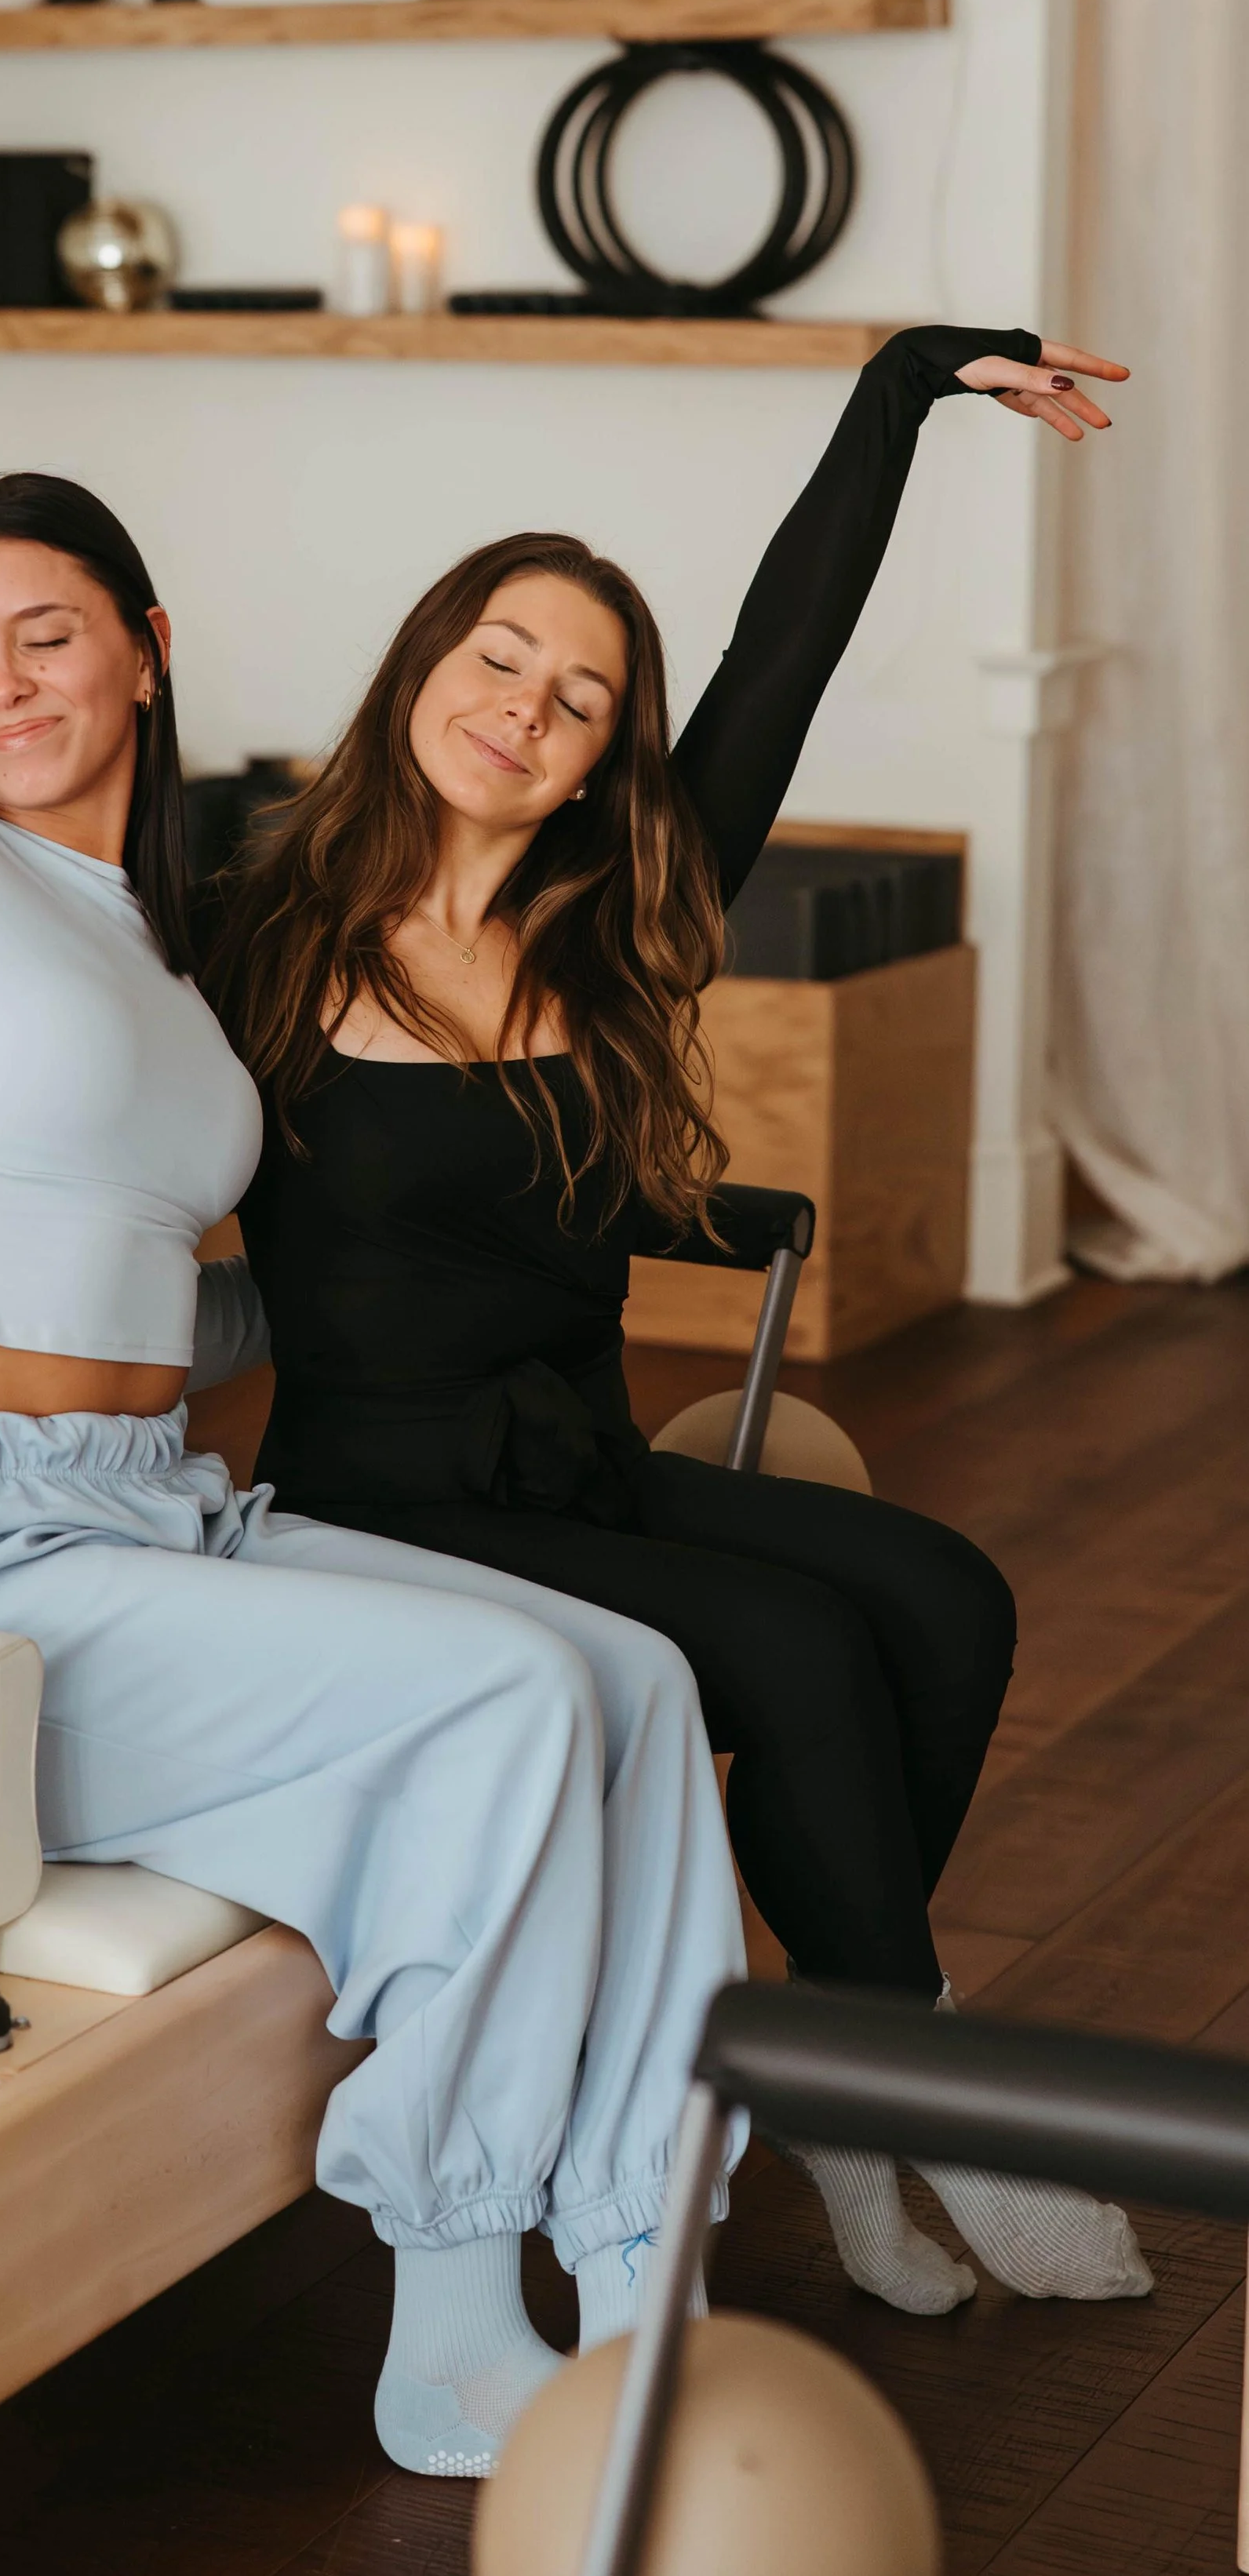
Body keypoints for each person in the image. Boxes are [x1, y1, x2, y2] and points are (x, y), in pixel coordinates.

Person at [0, 471, 745, 2483]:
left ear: (148, 651)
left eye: (47, 635)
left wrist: (431, 1285)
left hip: (126, 1507)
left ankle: (636, 2277)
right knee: (511, 1700)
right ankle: (451, 2326)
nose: (0, 685)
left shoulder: (168, 954)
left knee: (635, 1683)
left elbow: (158, 1297)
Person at [206, 324, 1153, 2316]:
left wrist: (901, 385)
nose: (524, 710)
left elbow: (775, 654)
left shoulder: (617, 918)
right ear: (418, 667)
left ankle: (830, 2086)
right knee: (797, 1645)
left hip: (570, 1466)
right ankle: (907, 2098)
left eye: (577, 698)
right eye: (497, 659)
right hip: (372, 1501)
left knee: (944, 1597)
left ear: (599, 755)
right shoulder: (253, 933)